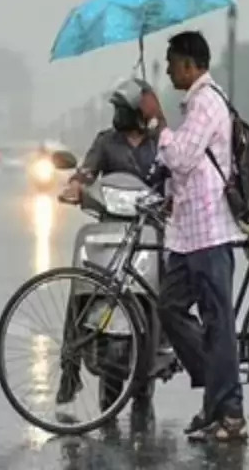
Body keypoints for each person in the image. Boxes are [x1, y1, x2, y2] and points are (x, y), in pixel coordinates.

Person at [139, 30, 248, 442]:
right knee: (169, 307)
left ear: (189, 64)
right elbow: (187, 163)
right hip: (187, 233)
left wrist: (158, 123)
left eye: (171, 62)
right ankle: (215, 390)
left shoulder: (205, 102)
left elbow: (182, 157)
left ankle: (230, 412)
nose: (167, 69)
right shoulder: (195, 104)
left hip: (210, 232)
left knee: (219, 324)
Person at [55, 77, 163, 406]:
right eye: (116, 109)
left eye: (123, 109)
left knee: (167, 292)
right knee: (80, 290)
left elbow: (174, 179)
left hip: (148, 233)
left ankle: (162, 346)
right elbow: (86, 172)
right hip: (109, 232)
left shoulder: (161, 144)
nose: (118, 115)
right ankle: (69, 366)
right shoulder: (106, 142)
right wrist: (75, 186)